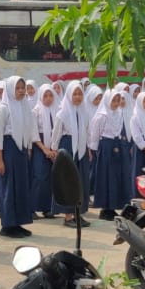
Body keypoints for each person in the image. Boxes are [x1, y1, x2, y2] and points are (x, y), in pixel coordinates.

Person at [0, 76, 34, 238]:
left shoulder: (24, 106)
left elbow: (28, 128)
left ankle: (18, 223)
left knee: (21, 186)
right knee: (9, 187)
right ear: (10, 90)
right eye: (18, 88)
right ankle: (7, 225)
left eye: (23, 88)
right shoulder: (3, 108)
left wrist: (28, 147)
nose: (21, 91)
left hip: (21, 149)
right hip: (8, 149)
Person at [51, 81, 91, 227]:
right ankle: (68, 216)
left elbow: (87, 131)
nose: (78, 97)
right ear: (69, 95)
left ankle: (78, 213)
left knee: (81, 182)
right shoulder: (62, 112)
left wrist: (88, 148)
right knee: (68, 183)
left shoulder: (84, 111)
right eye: (74, 94)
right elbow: (56, 133)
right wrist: (55, 150)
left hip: (81, 149)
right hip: (67, 147)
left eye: (80, 93)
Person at [90, 89, 131, 220]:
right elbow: (95, 135)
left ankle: (114, 206)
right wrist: (96, 152)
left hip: (118, 146)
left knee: (117, 177)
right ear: (108, 100)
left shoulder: (119, 114)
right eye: (113, 100)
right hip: (106, 148)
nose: (116, 103)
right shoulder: (101, 116)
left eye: (118, 100)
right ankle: (105, 208)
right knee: (106, 178)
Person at [31, 84, 59, 219]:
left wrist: (54, 149)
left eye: (51, 95)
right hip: (40, 147)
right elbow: (34, 133)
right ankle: (33, 207)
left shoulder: (57, 110)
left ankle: (48, 208)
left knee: (52, 179)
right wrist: (45, 149)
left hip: (54, 148)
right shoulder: (36, 111)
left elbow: (59, 131)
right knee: (40, 177)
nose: (48, 99)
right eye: (45, 96)